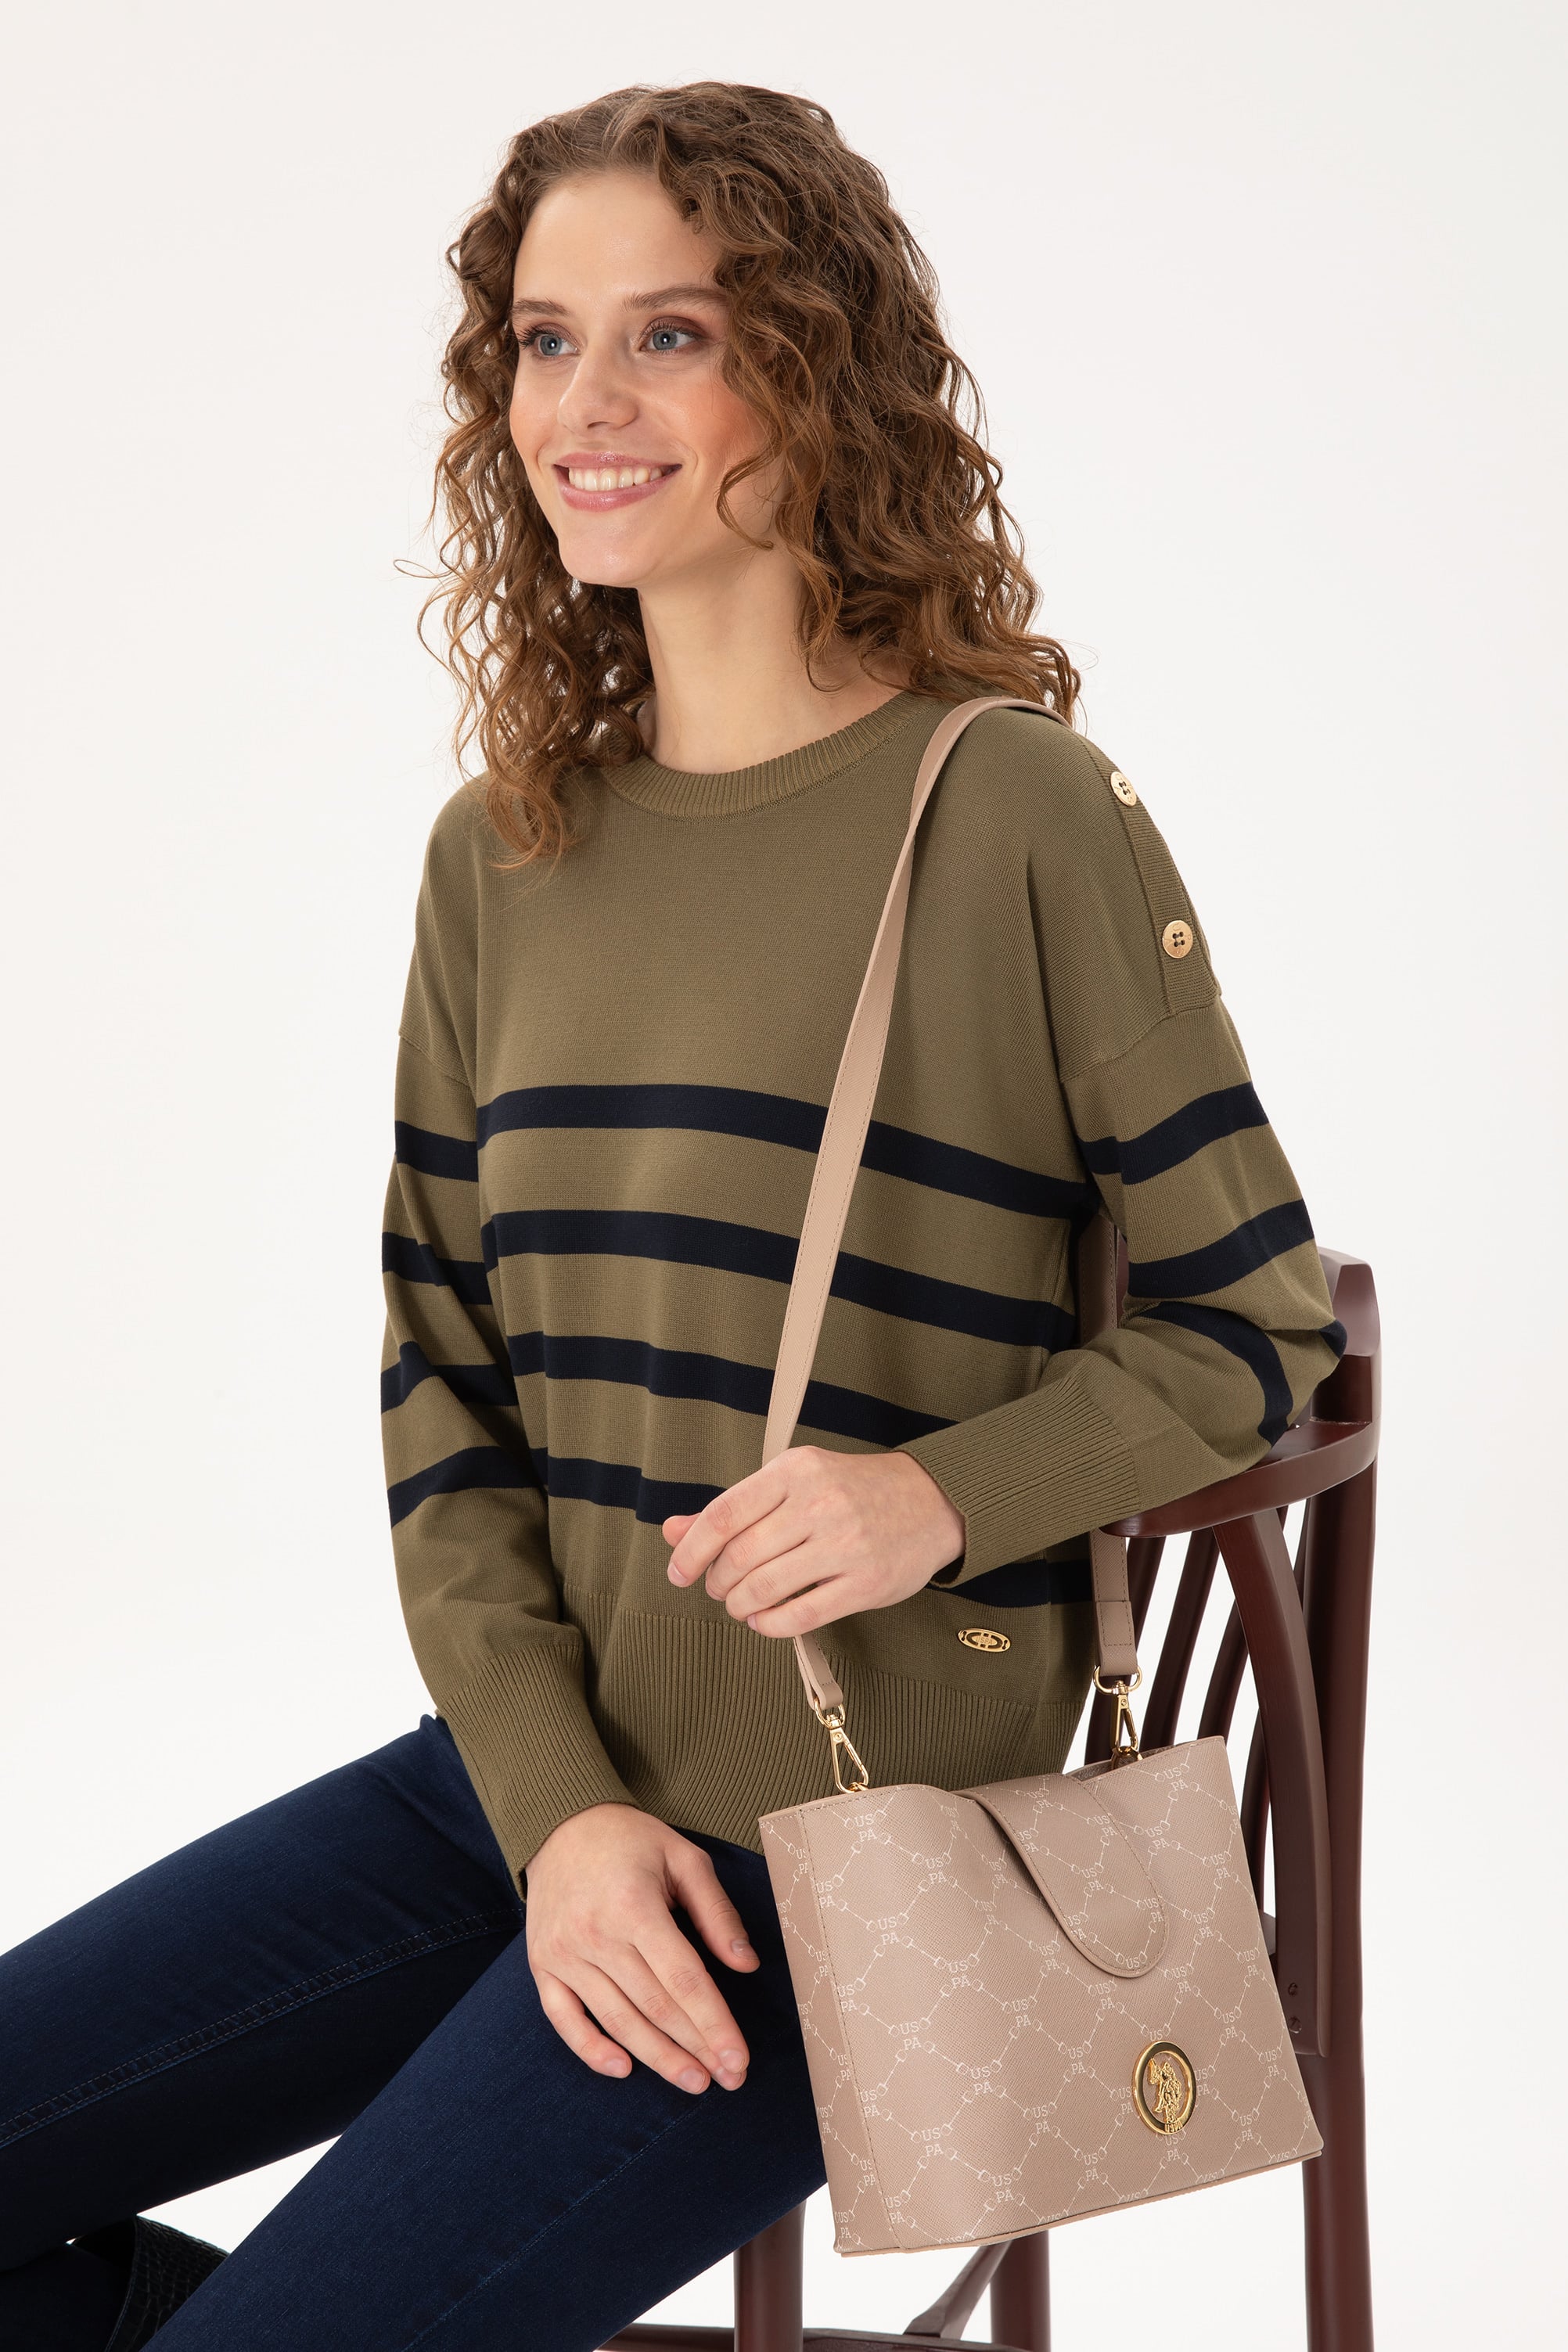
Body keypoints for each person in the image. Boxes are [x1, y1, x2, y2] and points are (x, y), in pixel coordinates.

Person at [0, 80, 1346, 2352]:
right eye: (545, 341)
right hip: (534, 1797)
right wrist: (556, 1819)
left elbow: (1258, 1325)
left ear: (817, 372)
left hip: (848, 1862)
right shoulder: (505, 852)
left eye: (671, 335)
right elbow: (445, 1393)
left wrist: (934, 1497)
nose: (584, 406)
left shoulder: (1011, 811)